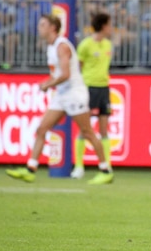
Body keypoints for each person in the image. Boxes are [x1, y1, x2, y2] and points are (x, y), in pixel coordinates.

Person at [6, 15, 114, 185]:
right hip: (62, 95)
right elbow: (56, 73)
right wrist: (50, 82)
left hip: (74, 93)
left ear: (52, 28)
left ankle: (105, 170)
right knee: (42, 129)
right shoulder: (50, 47)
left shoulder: (61, 46)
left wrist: (48, 85)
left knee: (87, 133)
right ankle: (30, 169)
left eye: (42, 24)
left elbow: (65, 74)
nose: (39, 27)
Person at [71, 12, 114, 179]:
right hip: (88, 88)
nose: (111, 28)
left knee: (104, 129)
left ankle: (106, 166)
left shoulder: (108, 45)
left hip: (104, 88)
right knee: (85, 129)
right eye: (109, 24)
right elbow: (78, 66)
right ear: (103, 26)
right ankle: (79, 167)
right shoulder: (85, 45)